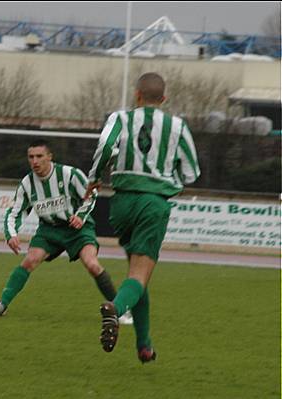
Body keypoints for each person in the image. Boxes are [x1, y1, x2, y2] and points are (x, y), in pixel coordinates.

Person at [86, 72, 200, 363]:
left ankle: (144, 346)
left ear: (136, 95)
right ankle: (115, 308)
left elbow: (105, 148)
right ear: (163, 99)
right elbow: (191, 173)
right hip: (153, 203)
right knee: (139, 275)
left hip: (122, 203)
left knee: (137, 275)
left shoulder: (119, 119)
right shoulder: (177, 126)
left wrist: (95, 179)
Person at [0, 140, 132, 324]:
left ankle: (120, 310)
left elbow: (90, 194)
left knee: (92, 264)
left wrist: (80, 215)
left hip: (78, 228)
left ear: (49, 157)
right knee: (30, 260)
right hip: (49, 230)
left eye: (39, 156)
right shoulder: (27, 184)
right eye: (31, 157)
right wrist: (11, 234)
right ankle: (2, 304)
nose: (35, 161)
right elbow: (14, 212)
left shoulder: (69, 174)